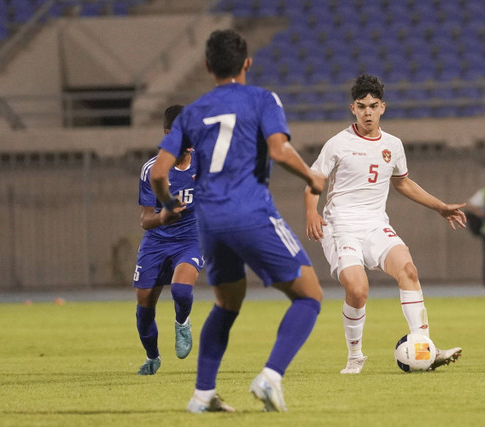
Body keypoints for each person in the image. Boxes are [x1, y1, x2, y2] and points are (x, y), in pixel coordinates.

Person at [149, 29, 326, 413]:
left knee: (227, 301)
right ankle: (270, 377)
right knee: (310, 296)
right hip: (250, 211)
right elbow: (279, 151)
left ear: (208, 66)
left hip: (208, 223)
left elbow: (158, 174)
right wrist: (312, 177)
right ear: (246, 63)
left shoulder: (192, 112)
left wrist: (166, 206)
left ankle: (202, 395)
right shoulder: (262, 99)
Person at [305, 74, 465, 375]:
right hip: (341, 227)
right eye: (362, 106)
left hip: (376, 225)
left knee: (408, 270)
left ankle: (424, 347)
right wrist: (312, 213)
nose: (367, 112)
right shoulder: (338, 143)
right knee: (358, 289)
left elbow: (403, 184)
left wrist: (440, 207)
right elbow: (313, 183)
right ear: (353, 108)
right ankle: (355, 356)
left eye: (373, 106)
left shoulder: (393, 145)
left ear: (383, 108)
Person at [132, 104, 201, 375]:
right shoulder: (151, 170)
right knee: (144, 308)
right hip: (157, 241)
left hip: (190, 239)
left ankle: (182, 322)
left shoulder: (203, 162)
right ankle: (152, 357)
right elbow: (145, 219)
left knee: (181, 291)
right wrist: (163, 217)